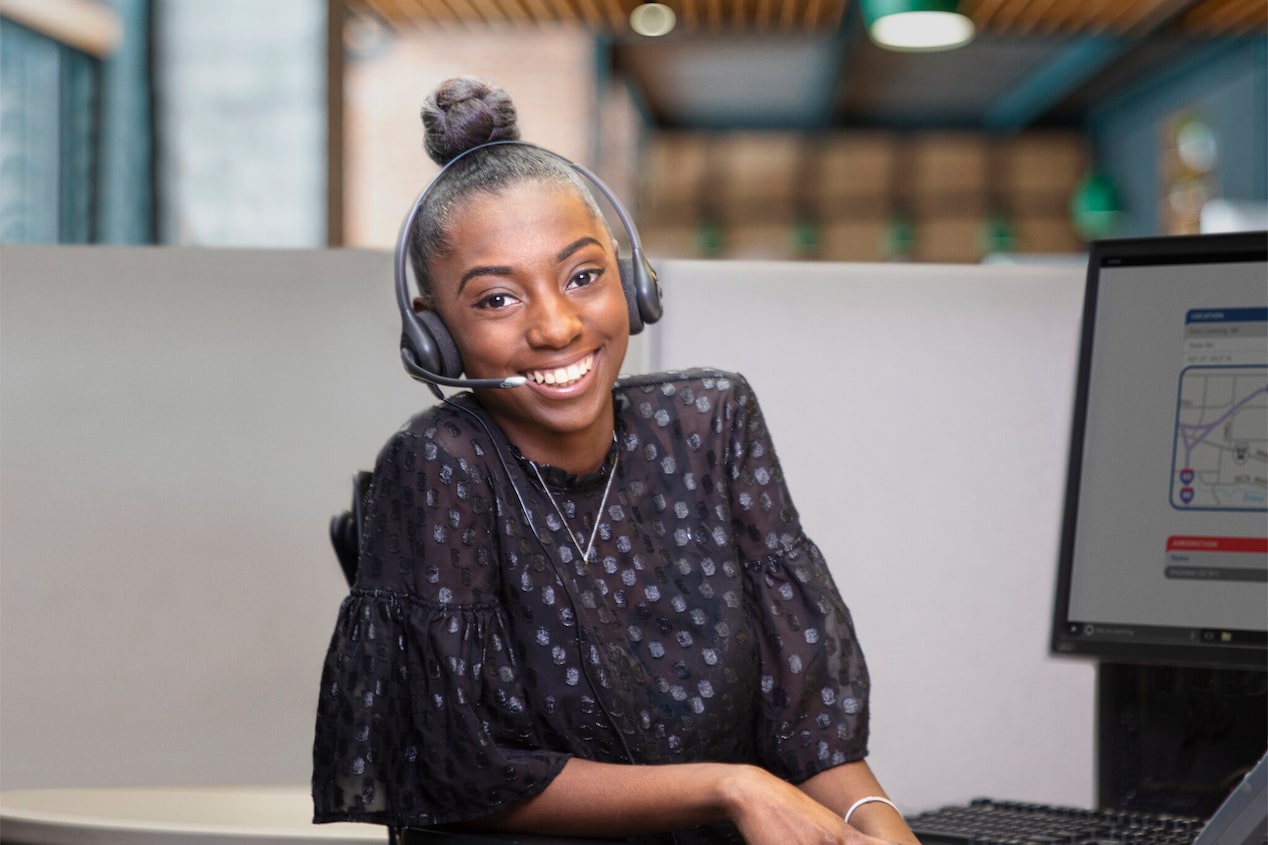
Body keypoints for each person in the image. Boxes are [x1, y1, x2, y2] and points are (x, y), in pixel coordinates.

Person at [312, 75, 920, 845]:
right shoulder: (440, 465)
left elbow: (810, 727)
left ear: (633, 281)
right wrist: (730, 785)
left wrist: (881, 824)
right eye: (498, 299)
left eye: (583, 276)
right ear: (434, 335)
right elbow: (462, 774)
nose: (558, 326)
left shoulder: (712, 423)